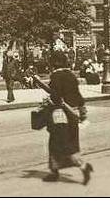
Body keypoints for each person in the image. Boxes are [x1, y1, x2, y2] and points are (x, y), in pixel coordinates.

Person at [42, 52, 93, 184]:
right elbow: (77, 95)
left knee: (58, 142)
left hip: (60, 114)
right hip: (73, 113)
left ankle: (82, 166)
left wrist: (47, 100)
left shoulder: (56, 76)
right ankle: (54, 171)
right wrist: (82, 111)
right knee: (71, 140)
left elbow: (56, 96)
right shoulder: (70, 75)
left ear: (53, 63)